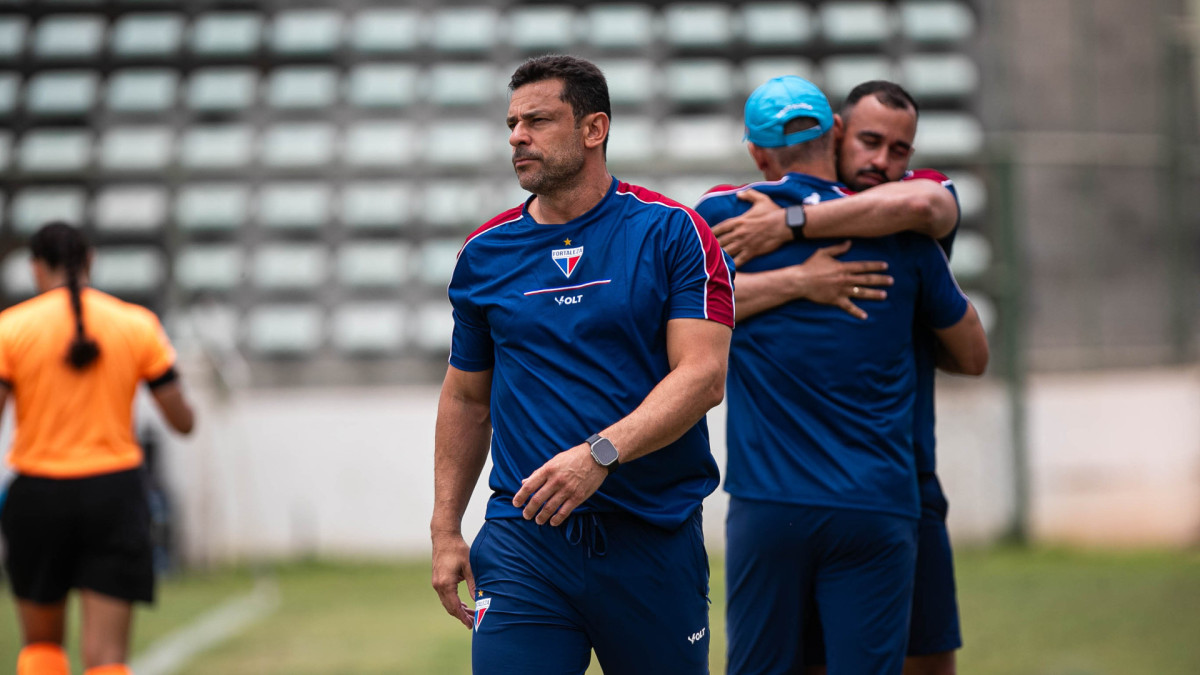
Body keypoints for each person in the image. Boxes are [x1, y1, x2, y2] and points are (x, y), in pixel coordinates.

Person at [429, 55, 734, 675]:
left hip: (651, 534)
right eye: (512, 123)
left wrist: (599, 454)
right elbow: (466, 398)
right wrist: (444, 530)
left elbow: (702, 377)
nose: (517, 136)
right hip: (525, 540)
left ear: (593, 129)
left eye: (537, 120)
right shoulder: (484, 253)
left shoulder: (674, 232)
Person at [693, 76, 988, 674]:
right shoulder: (908, 240)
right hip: (882, 497)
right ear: (837, 132)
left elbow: (662, 314)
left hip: (781, 500)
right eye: (870, 142)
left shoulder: (727, 215)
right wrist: (802, 281)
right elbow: (974, 355)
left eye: (898, 150)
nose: (882, 161)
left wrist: (790, 226)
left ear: (756, 152)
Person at [0, 222, 195, 675]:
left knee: (42, 649)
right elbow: (182, 421)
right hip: (114, 495)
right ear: (90, 261)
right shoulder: (136, 324)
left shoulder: (11, 329)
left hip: (39, 493)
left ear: (35, 268)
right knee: (107, 659)